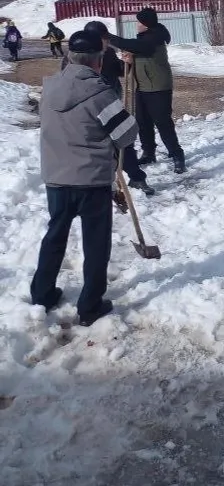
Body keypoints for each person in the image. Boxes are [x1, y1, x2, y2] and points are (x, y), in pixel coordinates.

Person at [30, 29, 139, 327]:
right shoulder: (100, 93)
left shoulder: (49, 88)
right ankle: (89, 306)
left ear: (68, 57)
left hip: (57, 178)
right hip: (91, 181)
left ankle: (42, 293)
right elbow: (127, 134)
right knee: (95, 243)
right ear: (98, 61)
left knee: (55, 235)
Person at [81, 21, 155, 196]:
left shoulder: (107, 53)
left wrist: (126, 63)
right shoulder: (78, 57)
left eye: (107, 38)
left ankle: (136, 178)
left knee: (123, 140)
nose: (107, 42)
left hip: (110, 105)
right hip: (90, 109)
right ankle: (103, 186)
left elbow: (119, 72)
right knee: (99, 147)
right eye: (104, 39)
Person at [108, 7, 186, 174]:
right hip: (142, 86)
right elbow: (136, 50)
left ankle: (177, 155)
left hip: (158, 87)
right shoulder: (145, 39)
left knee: (163, 123)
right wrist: (129, 59)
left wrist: (108, 38)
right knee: (143, 123)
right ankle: (149, 153)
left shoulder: (154, 38)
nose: (137, 25)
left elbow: (136, 46)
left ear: (146, 24)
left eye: (139, 22)